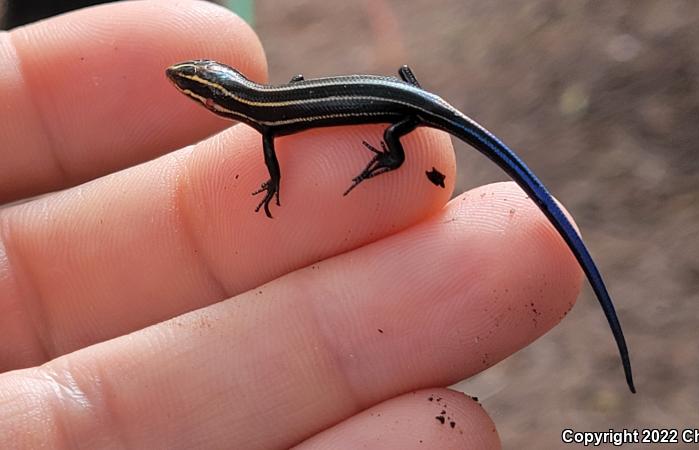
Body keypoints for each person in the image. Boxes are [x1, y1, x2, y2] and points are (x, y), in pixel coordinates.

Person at [0, 1, 582, 448]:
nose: (187, 83)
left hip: (404, 112)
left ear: (216, 103)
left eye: (194, 84)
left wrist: (282, 183)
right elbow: (298, 97)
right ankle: (396, 142)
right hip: (405, 95)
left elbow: (275, 162)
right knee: (398, 113)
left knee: (395, 147)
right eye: (192, 81)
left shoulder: (266, 123)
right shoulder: (270, 106)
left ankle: (394, 155)